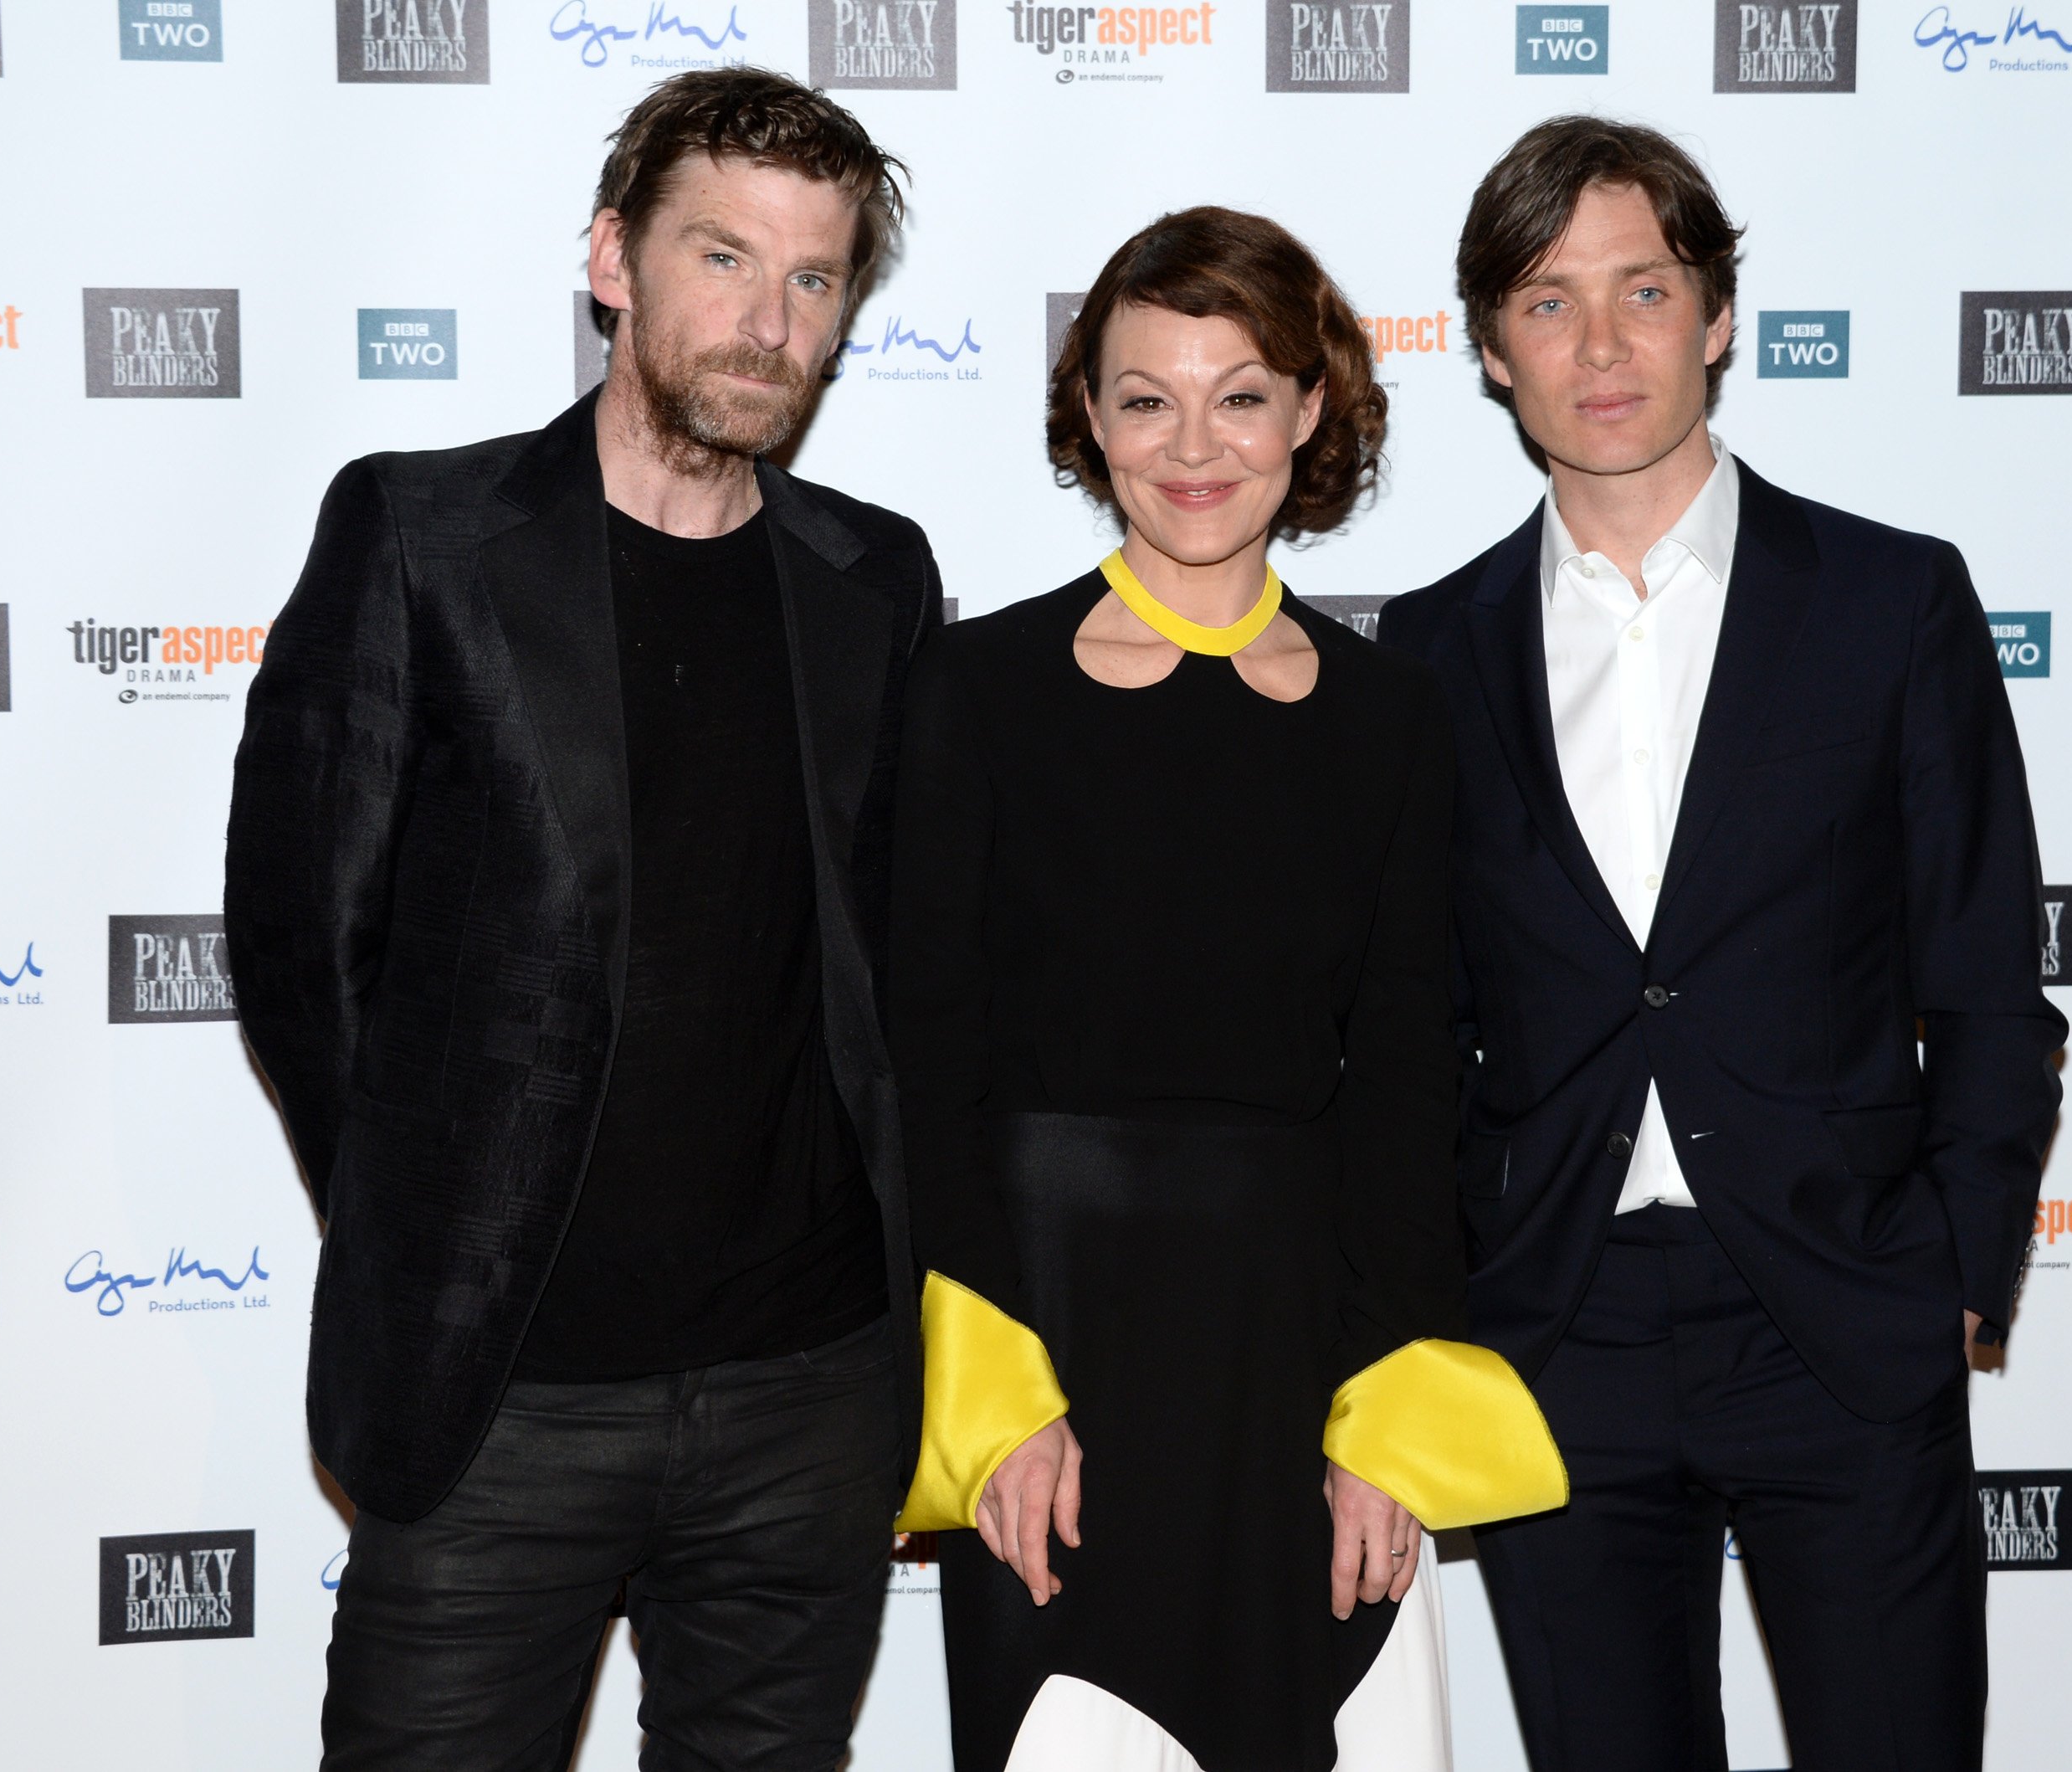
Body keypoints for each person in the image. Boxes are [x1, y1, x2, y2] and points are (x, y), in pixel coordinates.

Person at [223, 69, 941, 1769]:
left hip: (812, 1397)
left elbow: (901, 970)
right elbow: (300, 948)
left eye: (815, 280)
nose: (766, 324)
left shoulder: (877, 582)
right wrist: (434, 1216)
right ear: (613, 259)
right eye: (722, 257)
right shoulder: (424, 537)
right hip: (504, 1402)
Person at [1380, 118, 2067, 1771]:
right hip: (1558, 1334)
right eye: (1548, 303)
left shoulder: (1890, 604)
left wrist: (1958, 1270)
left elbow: (1984, 971)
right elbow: (1415, 1027)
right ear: (1491, 349)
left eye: (1642, 291)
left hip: (1839, 1319)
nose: (1600, 346)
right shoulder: (1426, 653)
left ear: (1718, 317)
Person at [888, 207, 1567, 1772]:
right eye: (1147, 398)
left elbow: (1409, 1085)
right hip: (1053, 1352)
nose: (1195, 444)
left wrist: (1388, 1423)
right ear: (1093, 421)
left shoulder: (1391, 718)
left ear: (1312, 410)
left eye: (1242, 393)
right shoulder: (973, 694)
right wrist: (996, 1402)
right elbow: (926, 1071)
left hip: (1304, 1365)